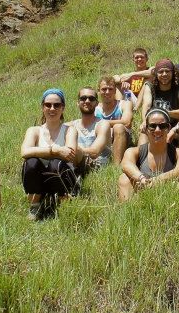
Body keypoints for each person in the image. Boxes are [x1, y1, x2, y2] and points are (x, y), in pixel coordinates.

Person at [21, 88, 80, 220]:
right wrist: (55, 150)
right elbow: (24, 152)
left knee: (55, 164)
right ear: (43, 107)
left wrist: (39, 152)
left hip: (62, 178)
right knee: (31, 163)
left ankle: (64, 206)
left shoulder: (70, 130)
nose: (52, 108)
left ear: (63, 108)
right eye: (48, 105)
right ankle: (35, 206)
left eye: (57, 105)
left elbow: (69, 154)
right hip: (40, 181)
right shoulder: (34, 130)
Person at [118, 109, 179, 201]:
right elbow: (126, 165)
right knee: (124, 178)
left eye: (162, 126)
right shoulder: (133, 151)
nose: (157, 130)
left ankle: (175, 214)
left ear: (168, 128)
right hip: (142, 193)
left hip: (168, 195)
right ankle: (129, 211)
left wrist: (156, 181)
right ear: (146, 128)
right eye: (152, 126)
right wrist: (142, 179)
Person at [137, 58, 179, 144]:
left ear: (173, 73)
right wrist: (144, 121)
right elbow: (146, 105)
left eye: (167, 71)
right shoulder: (150, 87)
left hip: (173, 128)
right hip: (154, 126)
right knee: (144, 132)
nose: (164, 74)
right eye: (161, 72)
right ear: (156, 74)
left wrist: (163, 112)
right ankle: (141, 156)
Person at [69, 86, 112, 176]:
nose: (87, 101)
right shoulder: (70, 125)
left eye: (91, 98)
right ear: (78, 103)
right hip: (75, 162)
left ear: (97, 103)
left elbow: (94, 152)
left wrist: (72, 151)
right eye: (83, 98)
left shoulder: (102, 124)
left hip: (96, 167)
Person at [95, 75, 134, 164]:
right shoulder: (95, 108)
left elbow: (127, 122)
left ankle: (116, 165)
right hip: (102, 140)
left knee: (119, 127)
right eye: (104, 89)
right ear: (99, 91)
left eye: (111, 89)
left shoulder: (125, 104)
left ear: (115, 91)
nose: (107, 92)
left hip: (122, 138)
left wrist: (101, 123)